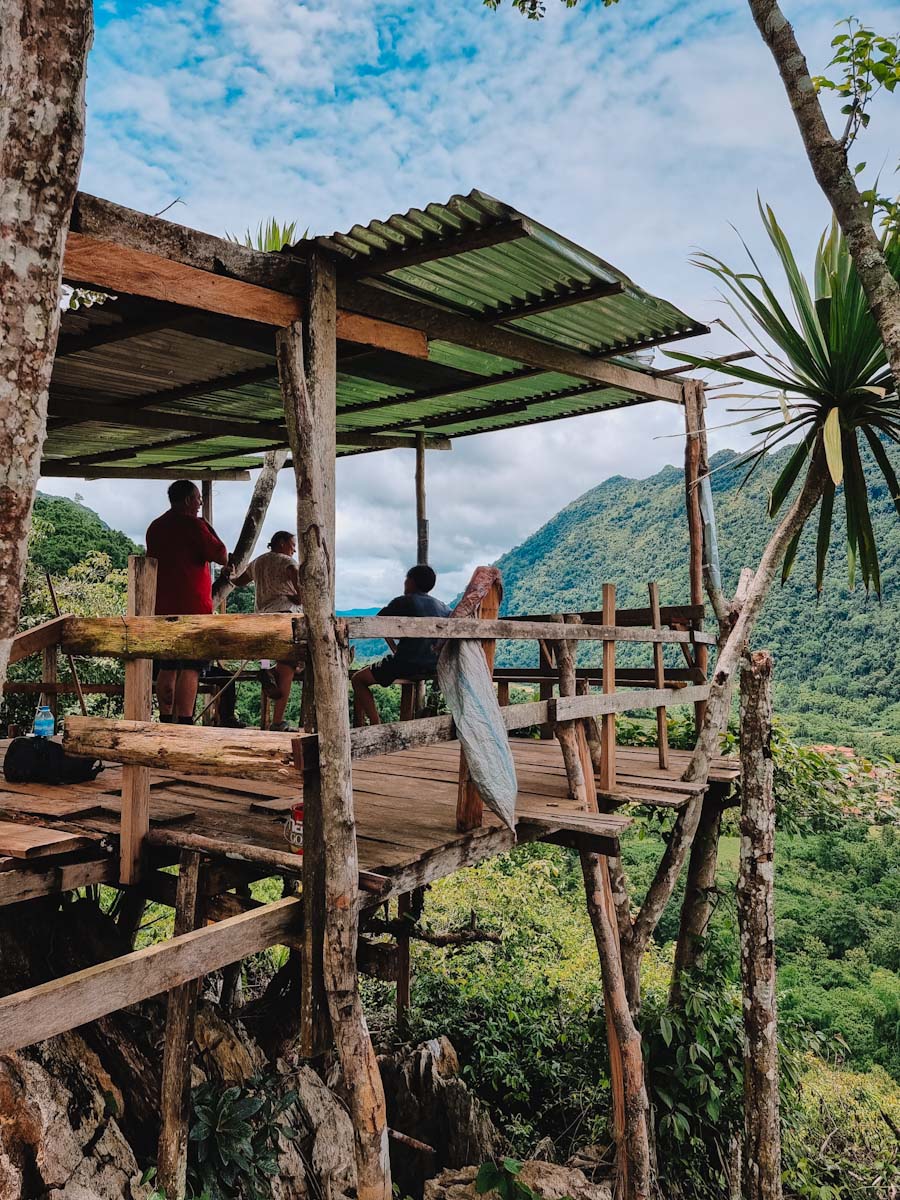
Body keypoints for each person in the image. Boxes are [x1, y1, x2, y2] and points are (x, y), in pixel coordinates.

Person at [145, 480, 228, 724]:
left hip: (161, 607)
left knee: (167, 666)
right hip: (193, 608)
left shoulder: (156, 526)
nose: (201, 502)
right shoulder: (195, 525)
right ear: (189, 500)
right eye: (198, 498)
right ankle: (184, 721)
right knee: (191, 666)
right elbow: (221, 555)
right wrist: (207, 526)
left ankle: (165, 717)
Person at [351, 564, 450, 726]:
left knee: (357, 679)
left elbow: (375, 623)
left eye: (406, 579)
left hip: (407, 663)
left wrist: (395, 647)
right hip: (433, 665)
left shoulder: (404, 601)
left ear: (411, 581)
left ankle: (376, 724)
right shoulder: (443, 607)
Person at [229, 531, 303, 731]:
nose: (294, 549)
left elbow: (239, 581)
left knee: (269, 653)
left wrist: (230, 573)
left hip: (263, 618)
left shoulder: (257, 562)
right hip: (285, 616)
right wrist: (300, 596)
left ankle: (265, 668)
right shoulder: (288, 562)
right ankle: (277, 721)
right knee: (287, 667)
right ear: (281, 543)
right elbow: (300, 591)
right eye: (292, 544)